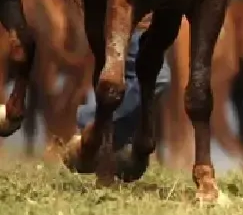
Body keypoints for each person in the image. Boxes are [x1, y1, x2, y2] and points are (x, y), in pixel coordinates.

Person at [74, 14, 173, 151]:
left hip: (151, 30)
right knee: (159, 78)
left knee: (136, 84)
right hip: (134, 27)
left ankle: (110, 142)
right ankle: (88, 120)